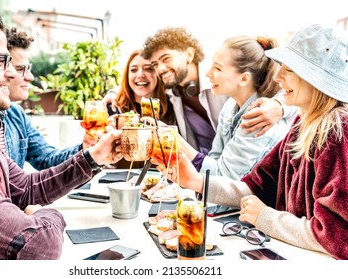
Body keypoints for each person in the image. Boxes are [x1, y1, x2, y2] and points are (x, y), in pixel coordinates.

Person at [0, 2, 122, 259]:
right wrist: (48, 217)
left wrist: (94, 157)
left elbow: (25, 188)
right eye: (0, 61)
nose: (9, 73)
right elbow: (37, 245)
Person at [161, 24, 348, 259]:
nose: (278, 77)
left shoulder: (339, 132)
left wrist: (265, 217)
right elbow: (257, 186)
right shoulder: (301, 125)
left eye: (289, 69)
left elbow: (338, 235)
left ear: (315, 80)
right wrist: (198, 182)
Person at [141, 26, 291, 155]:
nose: (160, 68)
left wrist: (280, 105)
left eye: (166, 58)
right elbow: (136, 89)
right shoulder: (171, 93)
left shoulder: (224, 80)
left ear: (189, 54)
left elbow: (296, 95)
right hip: (205, 171)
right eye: (155, 64)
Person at [180, 35, 291, 179]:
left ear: (244, 78)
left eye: (218, 68)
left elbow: (222, 178)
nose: (208, 73)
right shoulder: (230, 106)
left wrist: (177, 143)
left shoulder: (258, 118)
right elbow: (215, 158)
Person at [0, 27, 83, 171]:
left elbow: (47, 159)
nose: (30, 77)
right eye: (19, 69)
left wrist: (89, 149)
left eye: (28, 68)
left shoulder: (16, 114)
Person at [104, 49, 176, 169]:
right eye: (133, 70)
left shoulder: (173, 106)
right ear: (127, 75)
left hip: (165, 180)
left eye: (148, 68)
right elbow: (103, 160)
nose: (140, 74)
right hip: (121, 182)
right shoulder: (114, 107)